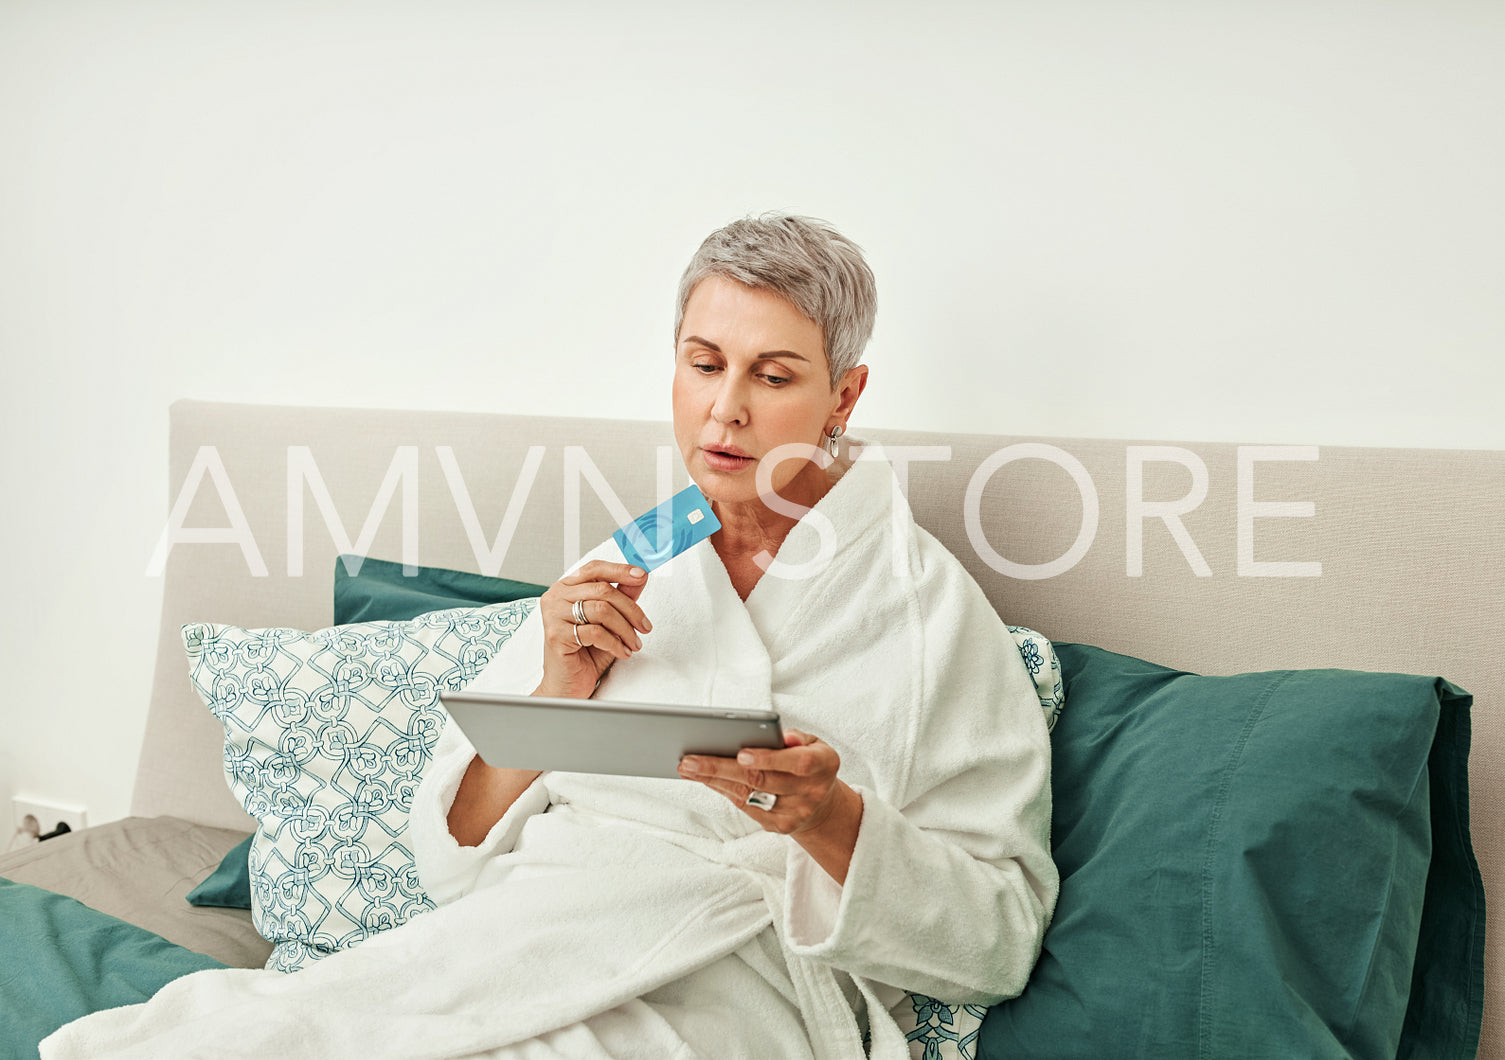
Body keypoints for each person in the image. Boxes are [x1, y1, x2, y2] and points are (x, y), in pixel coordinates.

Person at [42, 213, 1057, 1059]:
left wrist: (827, 817)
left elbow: (996, 937)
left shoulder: (928, 612)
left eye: (773, 375)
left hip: (736, 985)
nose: (725, 408)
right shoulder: (631, 562)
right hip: (524, 940)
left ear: (843, 394)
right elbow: (455, 855)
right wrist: (554, 692)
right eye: (702, 363)